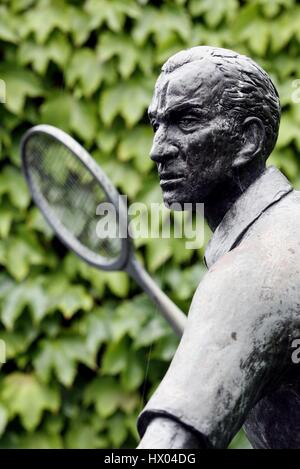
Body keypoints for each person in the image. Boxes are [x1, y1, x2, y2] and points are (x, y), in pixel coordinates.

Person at [137, 46, 300, 449]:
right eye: (156, 124)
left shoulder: (255, 268)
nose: (157, 149)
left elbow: (168, 449)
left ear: (248, 139)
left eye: (186, 121)